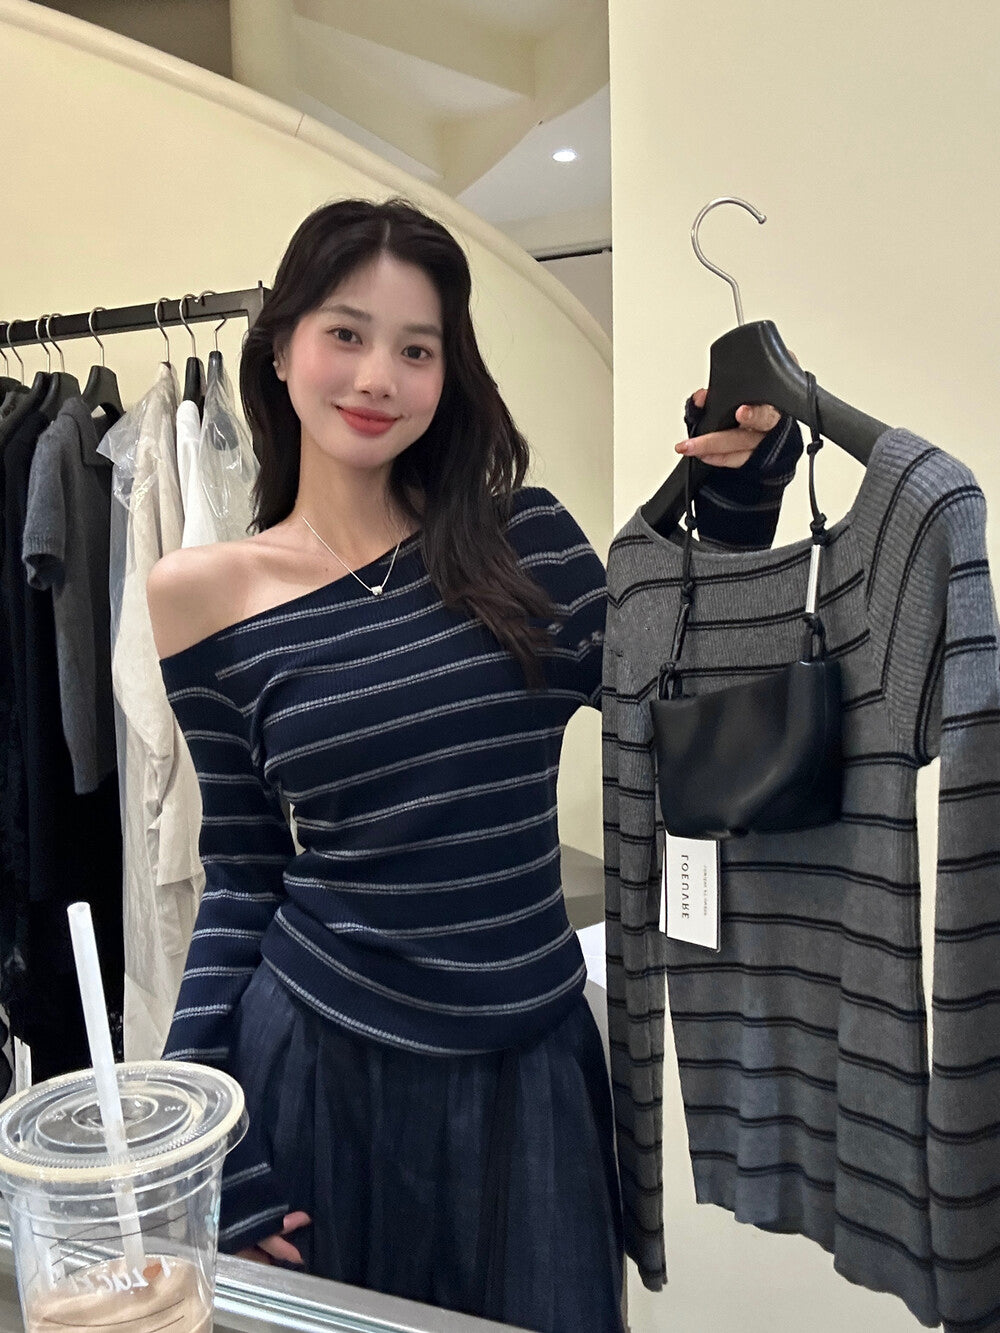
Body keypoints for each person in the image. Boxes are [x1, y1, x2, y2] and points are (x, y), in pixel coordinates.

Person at [146, 197, 797, 1332]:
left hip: (531, 1068)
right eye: (346, 333)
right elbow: (242, 875)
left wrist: (740, 498)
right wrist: (207, 1132)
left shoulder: (524, 540)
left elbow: (682, 695)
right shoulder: (203, 595)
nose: (378, 377)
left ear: (450, 374)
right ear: (281, 346)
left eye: (418, 348)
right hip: (318, 1063)